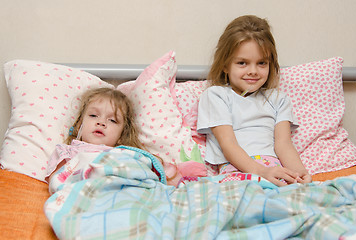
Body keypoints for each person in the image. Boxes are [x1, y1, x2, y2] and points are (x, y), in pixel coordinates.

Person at [197, 15, 312, 187]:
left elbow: (284, 144)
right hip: (236, 170)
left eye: (261, 63)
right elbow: (228, 144)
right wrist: (260, 172)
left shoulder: (278, 99)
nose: (253, 71)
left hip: (273, 170)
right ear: (225, 65)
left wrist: (299, 173)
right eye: (242, 63)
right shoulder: (216, 95)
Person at [46, 87, 206, 187]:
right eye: (94, 115)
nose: (101, 122)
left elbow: (157, 175)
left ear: (122, 136)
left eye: (112, 120)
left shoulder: (127, 154)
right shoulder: (68, 152)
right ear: (80, 123)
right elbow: (56, 182)